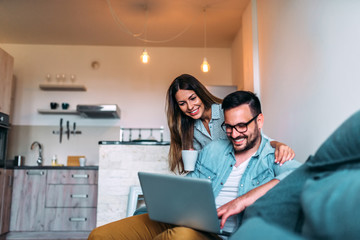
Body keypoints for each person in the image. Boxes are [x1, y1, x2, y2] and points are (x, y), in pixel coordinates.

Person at [88, 91, 301, 240]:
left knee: (179, 237)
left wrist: (241, 202)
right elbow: (191, 186)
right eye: (228, 127)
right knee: (100, 235)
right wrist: (166, 200)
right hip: (186, 221)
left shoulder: (275, 155)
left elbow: (301, 177)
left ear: (259, 120)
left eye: (242, 126)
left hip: (218, 234)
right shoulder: (213, 150)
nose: (234, 134)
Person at [166, 74, 295, 174]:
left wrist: (279, 145)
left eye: (193, 98)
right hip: (218, 178)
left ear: (200, 94)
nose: (190, 107)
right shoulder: (190, 129)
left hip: (242, 171)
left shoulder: (226, 112)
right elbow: (199, 164)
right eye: (182, 103)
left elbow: (258, 139)